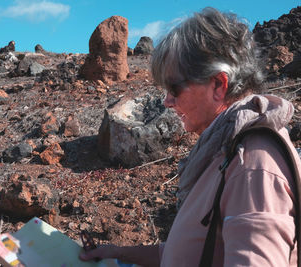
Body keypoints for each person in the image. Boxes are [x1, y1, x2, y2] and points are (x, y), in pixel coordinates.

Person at [79, 7, 301, 267]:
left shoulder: (252, 165)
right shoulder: (226, 148)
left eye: (174, 88)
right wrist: (118, 254)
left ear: (219, 84)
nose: (167, 101)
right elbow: (187, 252)